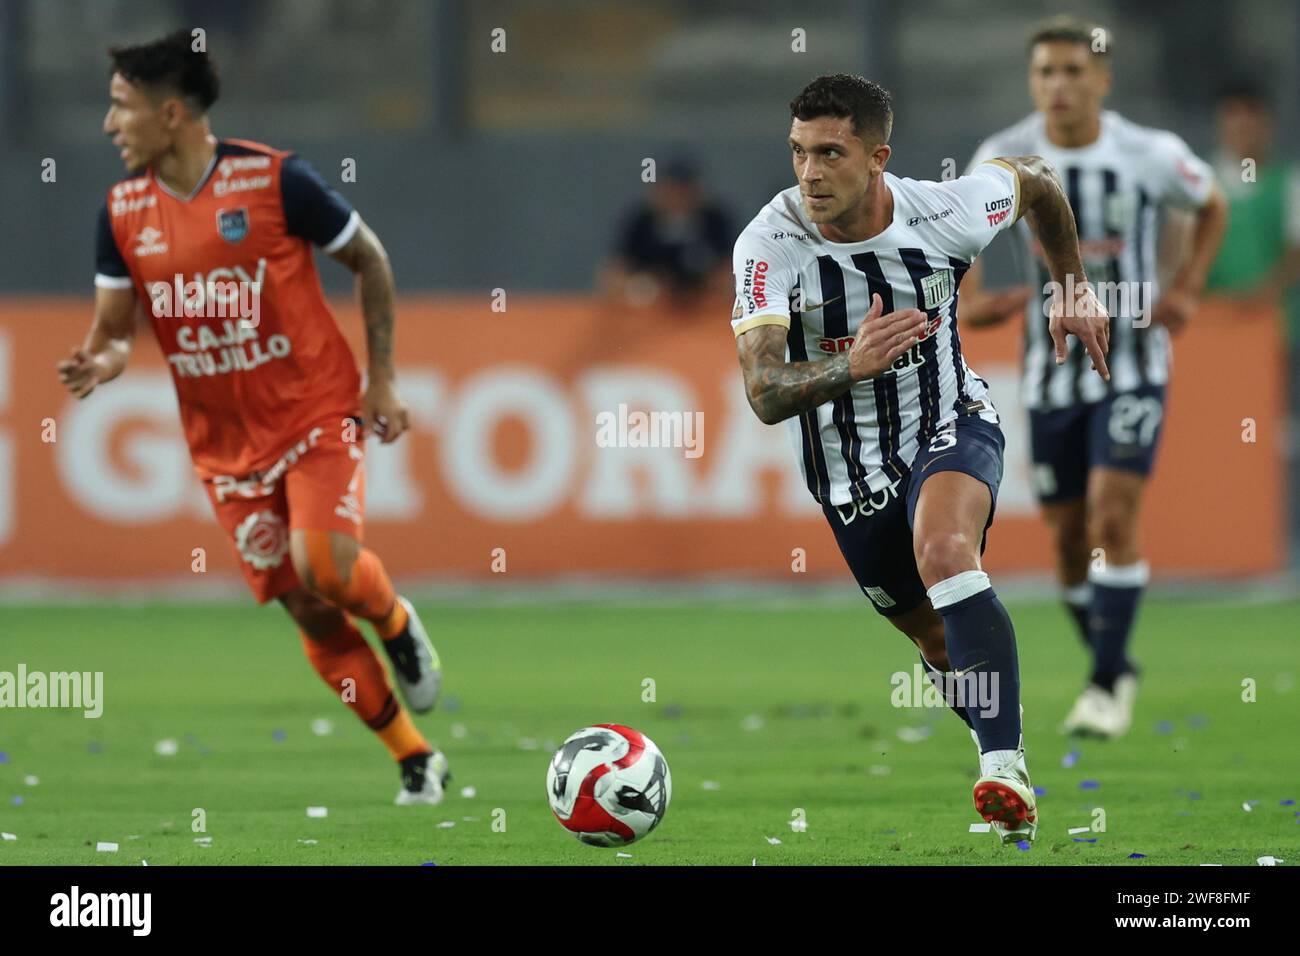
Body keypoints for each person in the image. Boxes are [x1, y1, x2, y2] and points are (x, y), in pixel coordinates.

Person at [56, 30, 448, 805]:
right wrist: (100, 364)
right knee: (303, 604)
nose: (109, 126)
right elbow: (114, 333)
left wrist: (384, 381)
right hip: (223, 445)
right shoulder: (122, 212)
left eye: (120, 108)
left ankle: (396, 621)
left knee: (325, 566)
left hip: (312, 409)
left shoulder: (276, 182)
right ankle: (415, 756)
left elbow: (369, 256)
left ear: (171, 114)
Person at [731, 73, 1110, 844]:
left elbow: (1036, 182)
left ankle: (1003, 766)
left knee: (945, 549)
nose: (810, 173)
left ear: (878, 158)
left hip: (951, 420)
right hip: (848, 476)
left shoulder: (948, 211)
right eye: (799, 152)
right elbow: (765, 392)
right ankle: (1000, 753)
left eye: (830, 153)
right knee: (936, 644)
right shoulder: (768, 246)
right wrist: (850, 366)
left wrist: (1072, 285)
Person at [960, 18, 1228, 738]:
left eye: (1073, 71)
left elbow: (1211, 205)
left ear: (1102, 81)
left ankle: (1105, 684)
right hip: (1049, 373)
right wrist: (978, 301)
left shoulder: (1148, 154)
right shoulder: (1000, 157)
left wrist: (1189, 289)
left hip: (1134, 362)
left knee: (1114, 515)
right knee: (1070, 539)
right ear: (1031, 82)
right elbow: (964, 251)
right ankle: (1115, 661)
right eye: (1045, 72)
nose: (1058, 86)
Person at [1205, 80, 1300, 554]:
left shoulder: (1290, 182)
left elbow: (1294, 255)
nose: (1244, 131)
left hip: (1284, 338)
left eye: (1252, 120)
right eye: (1235, 120)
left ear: (1267, 126)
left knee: (1282, 436)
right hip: (1222, 346)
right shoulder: (1204, 188)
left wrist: (1256, 300)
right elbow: (1181, 259)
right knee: (1231, 441)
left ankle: (1286, 541)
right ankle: (1236, 537)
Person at [602, 156, 733, 312]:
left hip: (704, 309)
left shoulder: (715, 220)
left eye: (684, 190)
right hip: (649, 307)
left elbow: (730, 270)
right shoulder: (641, 221)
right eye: (672, 189)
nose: (678, 196)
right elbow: (616, 271)